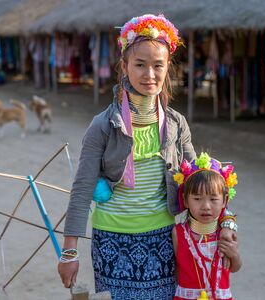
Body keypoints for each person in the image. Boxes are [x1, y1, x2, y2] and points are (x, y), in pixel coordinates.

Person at [57, 15, 238, 299]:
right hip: (111, 242)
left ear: (168, 68)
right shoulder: (103, 126)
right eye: (140, 64)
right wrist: (69, 253)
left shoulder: (176, 125)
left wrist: (226, 224)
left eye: (158, 66)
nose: (149, 74)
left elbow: (203, 183)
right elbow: (81, 190)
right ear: (124, 66)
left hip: (165, 240)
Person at [172, 153, 242, 300]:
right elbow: (177, 269)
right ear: (185, 200)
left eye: (213, 199)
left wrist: (234, 255)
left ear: (225, 200)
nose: (206, 206)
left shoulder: (225, 234)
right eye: (197, 199)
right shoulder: (178, 232)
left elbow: (233, 267)